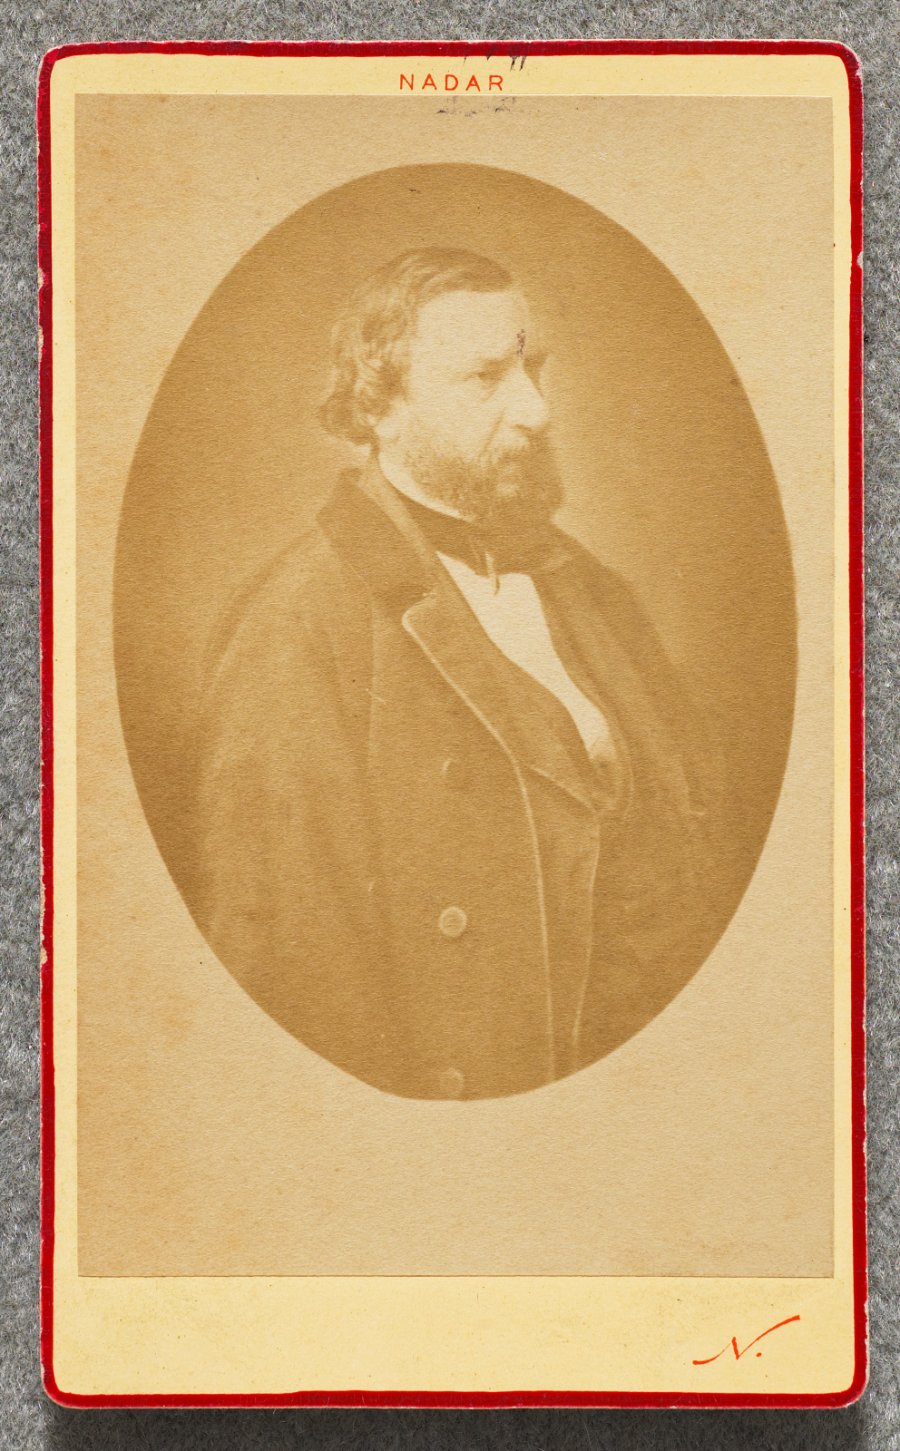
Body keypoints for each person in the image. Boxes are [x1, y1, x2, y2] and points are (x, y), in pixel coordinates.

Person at [192, 247, 728, 1100]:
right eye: (486, 378)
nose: (537, 410)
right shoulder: (294, 626)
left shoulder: (594, 592)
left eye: (533, 368)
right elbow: (290, 972)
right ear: (381, 407)